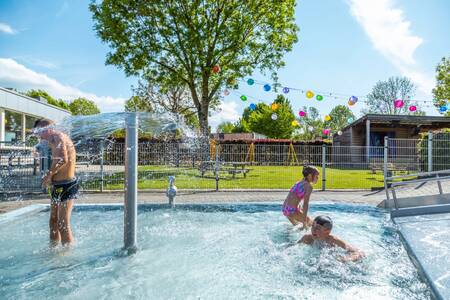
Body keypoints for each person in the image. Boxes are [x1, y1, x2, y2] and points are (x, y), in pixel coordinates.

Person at [33, 119, 78, 247]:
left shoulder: (58, 137)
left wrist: (47, 176)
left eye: (38, 132)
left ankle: (67, 257)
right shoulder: (52, 139)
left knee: (63, 223)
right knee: (53, 221)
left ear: (45, 129)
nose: (38, 136)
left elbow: (62, 159)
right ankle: (53, 251)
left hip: (67, 185)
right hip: (57, 186)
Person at [298, 215, 364, 262]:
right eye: (313, 226)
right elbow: (292, 247)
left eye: (318, 228)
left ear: (327, 232)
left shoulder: (333, 241)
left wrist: (345, 259)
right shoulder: (307, 238)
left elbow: (359, 252)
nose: (313, 230)